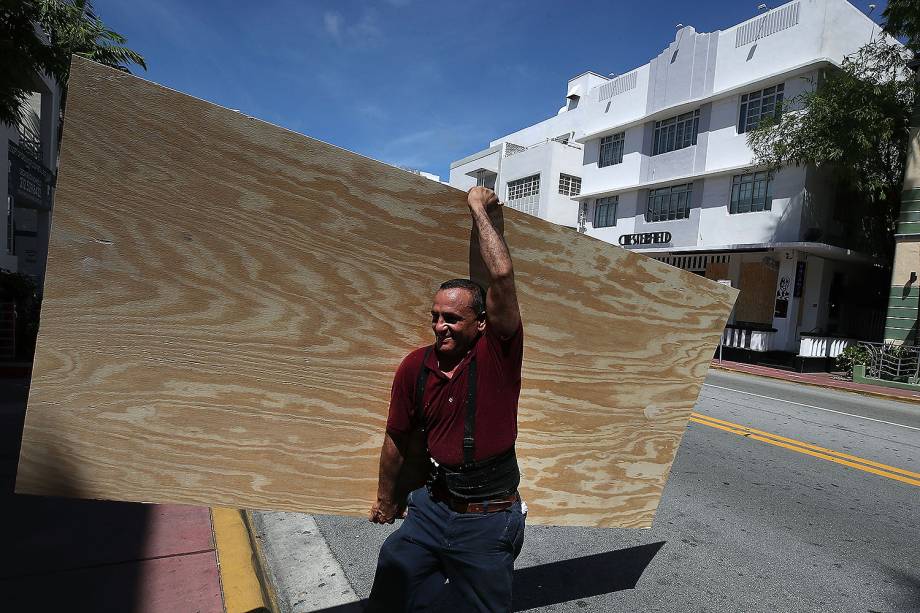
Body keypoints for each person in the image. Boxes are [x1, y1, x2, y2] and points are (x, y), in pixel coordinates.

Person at [366, 186, 525, 612]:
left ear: (481, 323)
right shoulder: (414, 367)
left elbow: (503, 278)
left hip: (488, 517)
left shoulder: (498, 356)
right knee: (393, 582)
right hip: (433, 507)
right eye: (435, 316)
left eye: (453, 318)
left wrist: (477, 208)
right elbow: (397, 437)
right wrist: (387, 497)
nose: (440, 326)